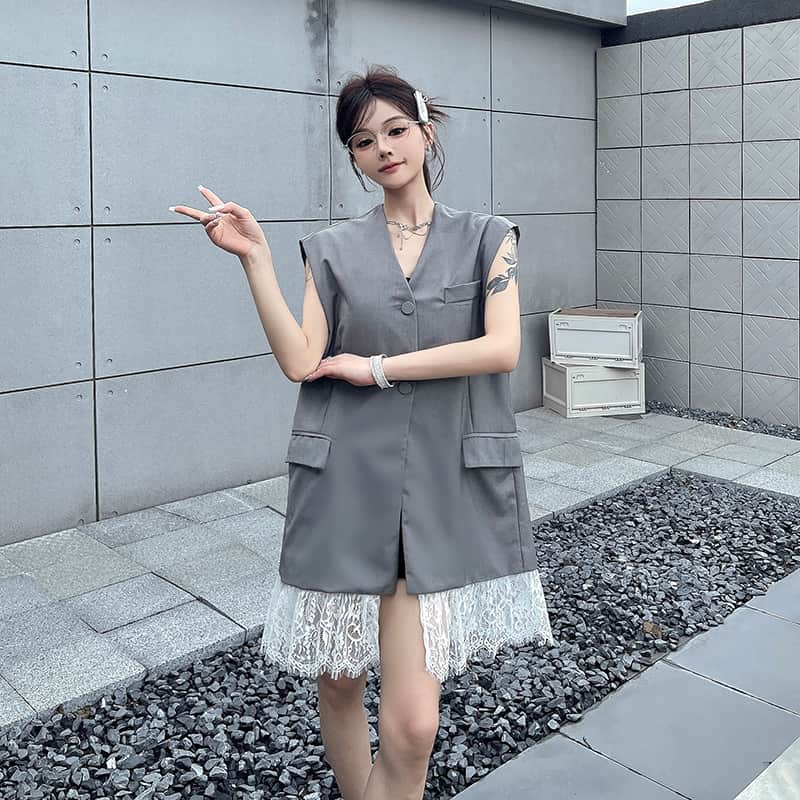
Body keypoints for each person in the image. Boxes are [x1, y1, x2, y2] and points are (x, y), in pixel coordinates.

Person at [170, 64, 553, 800]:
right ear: (353, 156)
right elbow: (300, 360)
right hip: (346, 482)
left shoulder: (487, 238)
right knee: (340, 685)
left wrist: (377, 368)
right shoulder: (332, 249)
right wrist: (256, 261)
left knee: (411, 728)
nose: (383, 149)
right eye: (363, 140)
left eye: (396, 130)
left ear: (426, 133)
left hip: (439, 486)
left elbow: (502, 349)